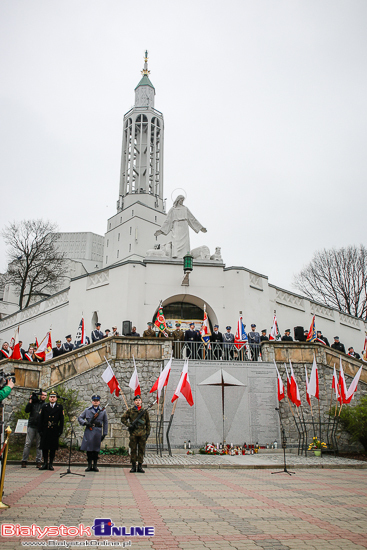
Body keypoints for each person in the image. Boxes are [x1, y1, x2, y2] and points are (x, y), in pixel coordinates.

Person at [121, 394, 150, 474]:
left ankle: (140, 466)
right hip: (133, 433)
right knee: (133, 450)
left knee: (141, 450)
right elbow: (123, 419)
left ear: (141, 401)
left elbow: (148, 423)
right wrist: (129, 425)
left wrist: (147, 433)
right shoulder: (130, 411)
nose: (138, 402)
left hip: (142, 434)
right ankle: (133, 466)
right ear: (134, 402)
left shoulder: (144, 411)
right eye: (136, 400)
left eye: (139, 400)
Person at [78, 395, 108, 472]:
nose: (95, 402)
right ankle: (89, 465)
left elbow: (105, 422)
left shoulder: (103, 411)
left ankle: (95, 465)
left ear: (99, 402)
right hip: (89, 431)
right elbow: (80, 418)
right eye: (94, 400)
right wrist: (85, 423)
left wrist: (104, 433)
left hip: (98, 431)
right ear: (92, 401)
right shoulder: (87, 410)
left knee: (96, 449)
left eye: (97, 401)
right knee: (89, 449)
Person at [38, 390, 64, 470]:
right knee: (45, 447)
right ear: (49, 398)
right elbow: (40, 419)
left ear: (56, 399)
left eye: (54, 397)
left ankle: (51, 463)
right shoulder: (45, 407)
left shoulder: (59, 407)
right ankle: (45, 463)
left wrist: (60, 430)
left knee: (53, 448)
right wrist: (40, 430)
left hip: (54, 429)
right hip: (46, 429)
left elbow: (61, 420)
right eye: (51, 397)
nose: (52, 399)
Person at [21, 390, 47, 468]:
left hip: (40, 427)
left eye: (45, 395)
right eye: (42, 395)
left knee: (39, 445)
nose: (43, 396)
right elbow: (26, 410)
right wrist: (30, 401)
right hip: (31, 425)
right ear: (39, 395)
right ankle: (24, 460)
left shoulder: (45, 405)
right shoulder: (34, 403)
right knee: (27, 443)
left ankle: (38, 461)